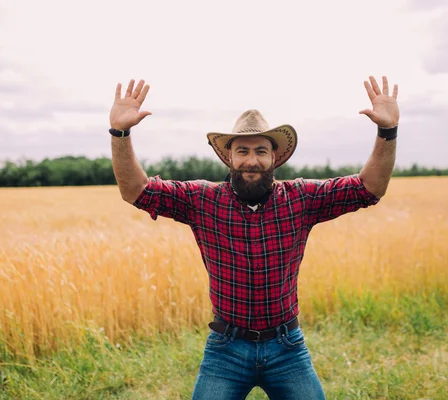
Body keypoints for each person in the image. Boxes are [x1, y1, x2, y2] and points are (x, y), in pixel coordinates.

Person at [108, 76, 400, 399]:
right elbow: (136, 190)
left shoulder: (300, 198)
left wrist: (387, 132)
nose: (252, 160)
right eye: (242, 151)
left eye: (261, 151)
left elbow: (369, 188)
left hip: (287, 347)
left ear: (274, 158)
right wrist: (120, 133)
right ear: (229, 158)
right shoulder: (202, 201)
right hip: (226, 349)